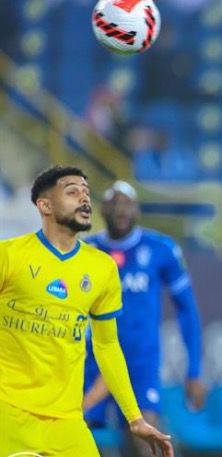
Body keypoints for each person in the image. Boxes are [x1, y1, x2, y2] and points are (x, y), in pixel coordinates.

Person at [0, 165, 173, 457]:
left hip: (67, 422)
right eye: (72, 191)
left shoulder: (102, 268)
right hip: (8, 414)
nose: (84, 199)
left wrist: (134, 417)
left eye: (87, 193)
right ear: (45, 205)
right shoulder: (10, 256)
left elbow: (107, 346)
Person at [82, 181, 205, 456]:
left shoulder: (161, 249)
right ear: (102, 210)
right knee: (72, 440)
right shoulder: (85, 252)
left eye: (127, 204)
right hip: (92, 364)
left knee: (146, 444)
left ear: (137, 210)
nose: (121, 210)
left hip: (140, 364)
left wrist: (194, 370)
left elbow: (187, 311)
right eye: (114, 203)